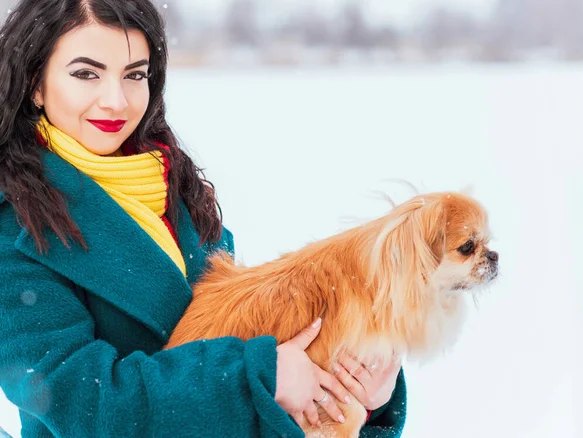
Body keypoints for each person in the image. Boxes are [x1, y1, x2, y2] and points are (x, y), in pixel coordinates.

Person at [0, 1, 407, 437]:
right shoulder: (15, 228)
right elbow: (88, 407)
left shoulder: (175, 188)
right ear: (35, 84)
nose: (116, 100)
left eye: (135, 74)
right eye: (86, 73)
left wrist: (354, 389)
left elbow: (247, 329)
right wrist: (257, 378)